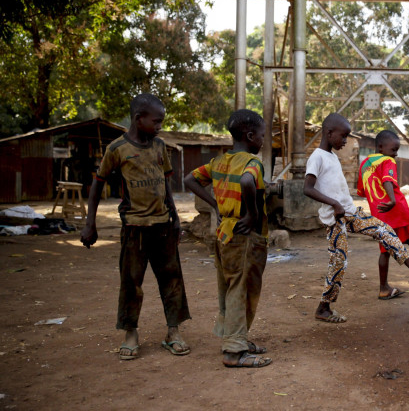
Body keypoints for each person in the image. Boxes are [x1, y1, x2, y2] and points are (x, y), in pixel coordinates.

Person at [80, 94, 190, 361]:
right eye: (157, 121)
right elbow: (97, 185)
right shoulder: (116, 149)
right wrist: (89, 223)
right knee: (131, 283)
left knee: (172, 280)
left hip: (163, 226)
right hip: (134, 229)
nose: (160, 126)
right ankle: (130, 333)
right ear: (139, 118)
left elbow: (166, 186)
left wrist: (175, 219)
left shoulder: (159, 147)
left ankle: (173, 332)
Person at [304, 113, 409, 324]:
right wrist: (334, 204)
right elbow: (307, 188)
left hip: (350, 212)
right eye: (343, 136)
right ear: (329, 133)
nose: (345, 141)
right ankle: (323, 308)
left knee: (384, 230)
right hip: (335, 218)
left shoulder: (332, 156)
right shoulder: (317, 157)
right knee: (339, 261)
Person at [183, 109, 272, 368]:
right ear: (250, 135)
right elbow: (247, 182)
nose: (264, 140)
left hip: (224, 234)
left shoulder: (218, 162)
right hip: (245, 237)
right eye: (263, 135)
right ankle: (234, 350)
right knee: (241, 288)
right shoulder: (252, 163)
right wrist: (253, 214)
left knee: (230, 286)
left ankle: (237, 338)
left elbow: (190, 179)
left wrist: (216, 206)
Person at [357, 130, 409, 300]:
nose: (395, 154)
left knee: (388, 248)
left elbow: (362, 192)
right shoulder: (387, 160)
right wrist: (392, 200)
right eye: (394, 149)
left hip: (379, 213)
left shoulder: (364, 164)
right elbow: (387, 180)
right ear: (381, 147)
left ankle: (385, 287)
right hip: (395, 208)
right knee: (408, 239)